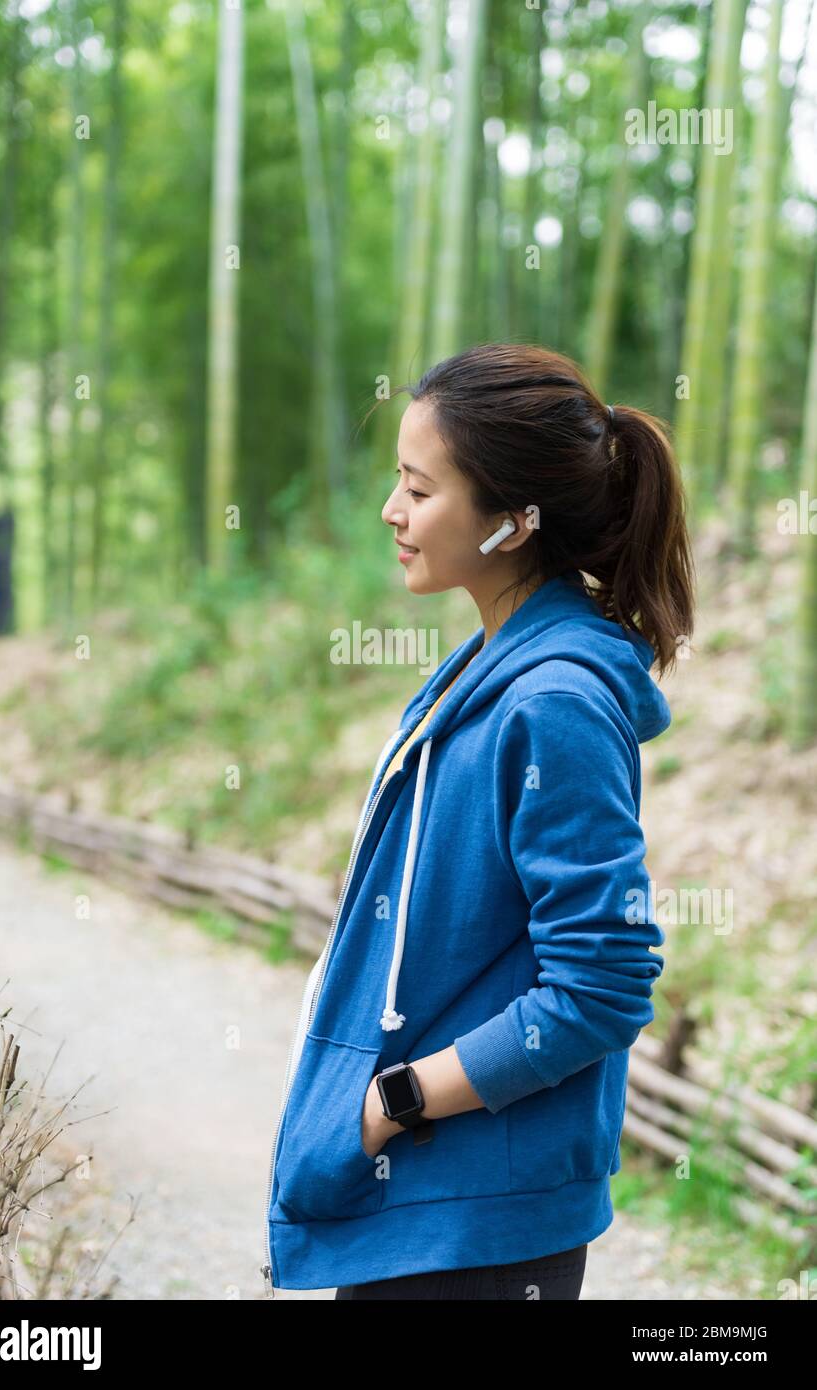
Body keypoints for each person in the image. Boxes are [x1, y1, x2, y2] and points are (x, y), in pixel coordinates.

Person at [261, 342, 696, 1300]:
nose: (391, 512)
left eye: (419, 490)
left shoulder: (555, 702)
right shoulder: (477, 668)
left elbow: (601, 987)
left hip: (476, 1236)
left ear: (511, 521)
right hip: (429, 1205)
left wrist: (394, 1102)